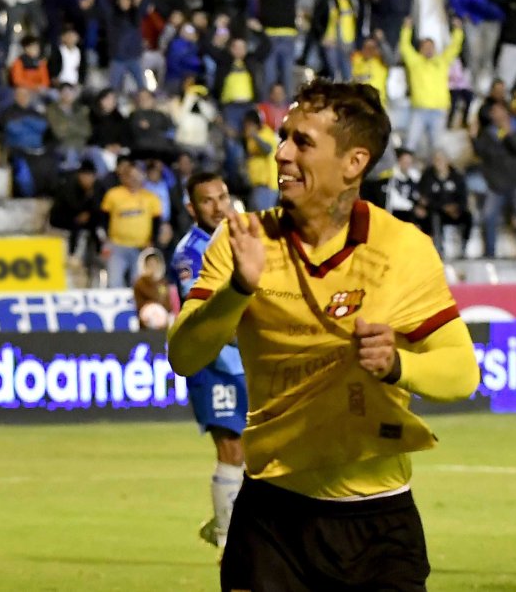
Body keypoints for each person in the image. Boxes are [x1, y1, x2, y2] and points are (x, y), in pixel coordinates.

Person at [167, 81, 479, 591]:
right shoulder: (243, 239)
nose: (282, 152)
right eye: (284, 137)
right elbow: (184, 354)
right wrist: (237, 289)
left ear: (354, 162)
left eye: (302, 142)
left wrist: (400, 364)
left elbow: (462, 372)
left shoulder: (403, 248)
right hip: (271, 519)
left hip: (378, 524)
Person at [168, 172, 248, 554]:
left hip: (247, 362)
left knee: (253, 453)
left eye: (223, 197)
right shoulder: (189, 252)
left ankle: (225, 520)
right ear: (191, 208)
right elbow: (204, 314)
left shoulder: (242, 238)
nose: (218, 207)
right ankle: (228, 543)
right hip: (213, 362)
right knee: (231, 448)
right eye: (207, 201)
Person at [474, 100, 516, 259]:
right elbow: (482, 153)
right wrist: (474, 137)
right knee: (488, 217)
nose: (495, 115)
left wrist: (509, 135)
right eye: (493, 112)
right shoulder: (489, 133)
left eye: (498, 111)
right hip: (496, 184)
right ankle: (489, 252)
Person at [399, 16, 464, 157]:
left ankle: (433, 173)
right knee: (410, 143)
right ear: (421, 49)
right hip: (419, 110)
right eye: (425, 47)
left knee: (437, 148)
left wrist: (458, 30)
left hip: (439, 111)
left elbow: (454, 47)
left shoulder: (442, 61)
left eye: (431, 47)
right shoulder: (415, 62)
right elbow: (404, 46)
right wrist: (407, 28)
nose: (428, 50)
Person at [447, 0, 505, 93]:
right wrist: (461, 13)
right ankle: (472, 88)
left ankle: (486, 89)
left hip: (492, 20)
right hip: (473, 19)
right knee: (473, 54)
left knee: (488, 54)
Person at [99, 159, 168, 287]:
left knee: (138, 283)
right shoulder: (113, 194)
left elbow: (156, 222)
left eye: (137, 175)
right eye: (130, 176)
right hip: (117, 246)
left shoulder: (151, 197)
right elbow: (103, 219)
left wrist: (153, 241)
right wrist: (105, 240)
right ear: (123, 177)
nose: (133, 179)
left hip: (141, 247)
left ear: (143, 176)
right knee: (114, 282)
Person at [418, 151, 472, 258]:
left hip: (455, 211)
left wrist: (457, 208)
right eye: (436, 160)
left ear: (447, 161)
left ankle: (463, 247)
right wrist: (443, 207)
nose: (439, 163)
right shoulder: (427, 177)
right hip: (437, 211)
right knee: (434, 217)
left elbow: (463, 197)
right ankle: (439, 249)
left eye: (441, 160)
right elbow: (425, 199)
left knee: (468, 216)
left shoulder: (456, 176)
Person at [134, 249, 173, 330]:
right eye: (150, 264)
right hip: (146, 321)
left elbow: (168, 304)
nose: (153, 267)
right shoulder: (140, 282)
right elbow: (139, 304)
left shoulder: (164, 282)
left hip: (164, 321)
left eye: (155, 263)